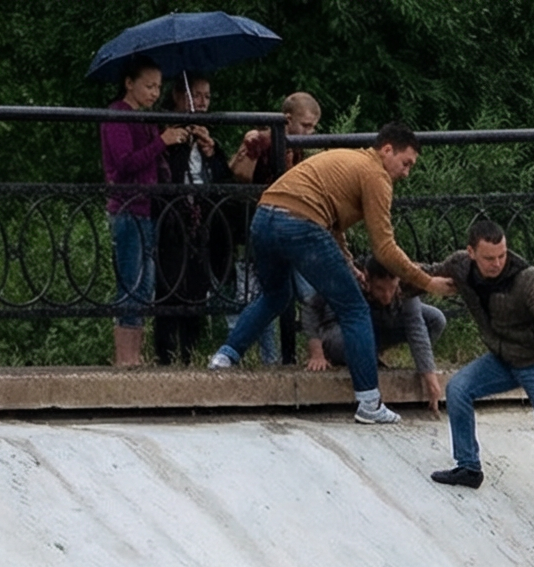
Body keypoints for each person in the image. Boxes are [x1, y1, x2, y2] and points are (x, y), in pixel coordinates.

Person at [209, 122, 454, 424]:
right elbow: (384, 248)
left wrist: (349, 265)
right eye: (406, 163)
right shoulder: (375, 175)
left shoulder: (347, 159)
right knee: (354, 309)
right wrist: (427, 282)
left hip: (264, 218)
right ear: (387, 150)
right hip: (300, 224)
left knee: (276, 295)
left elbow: (334, 226)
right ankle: (369, 403)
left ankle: (224, 357)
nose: (406, 173)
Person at [427, 218, 534, 556]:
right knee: (458, 388)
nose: (497, 263)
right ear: (471, 253)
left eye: (502, 255)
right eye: (489, 258)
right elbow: (426, 273)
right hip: (503, 359)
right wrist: (389, 277)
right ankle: (469, 467)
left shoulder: (526, 280)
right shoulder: (460, 266)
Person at [101, 57, 191, 368]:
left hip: (146, 207)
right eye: (149, 86)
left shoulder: (145, 117)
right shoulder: (117, 114)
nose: (155, 93)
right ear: (129, 83)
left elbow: (153, 159)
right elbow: (125, 162)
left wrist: (171, 138)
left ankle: (135, 355)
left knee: (144, 285)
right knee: (130, 281)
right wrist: (161, 142)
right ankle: (125, 356)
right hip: (127, 207)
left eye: (158, 87)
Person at [224, 90, 318, 365]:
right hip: (257, 223)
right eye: (306, 125)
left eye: (313, 127)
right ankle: (269, 357)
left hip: (284, 224)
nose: (310, 133)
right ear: (287, 119)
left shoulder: (295, 146)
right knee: (264, 291)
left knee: (287, 291)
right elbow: (240, 175)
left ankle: (284, 354)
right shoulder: (264, 140)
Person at [151, 73, 232, 366]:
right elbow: (162, 171)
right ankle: (165, 353)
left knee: (198, 286)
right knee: (170, 283)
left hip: (203, 219)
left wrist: (212, 151)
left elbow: (224, 179)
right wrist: (176, 141)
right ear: (178, 95)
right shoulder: (163, 126)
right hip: (172, 217)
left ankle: (190, 351)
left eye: (207, 96)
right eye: (195, 95)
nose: (202, 102)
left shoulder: (205, 131)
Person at [301, 254, 445, 401]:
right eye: (380, 289)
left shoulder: (406, 285)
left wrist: (429, 375)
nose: (387, 296)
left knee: (435, 319)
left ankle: (373, 353)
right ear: (367, 278)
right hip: (342, 329)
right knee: (345, 342)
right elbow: (311, 306)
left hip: (380, 326)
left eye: (392, 288)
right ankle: (362, 357)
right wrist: (316, 352)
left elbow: (416, 327)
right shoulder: (349, 277)